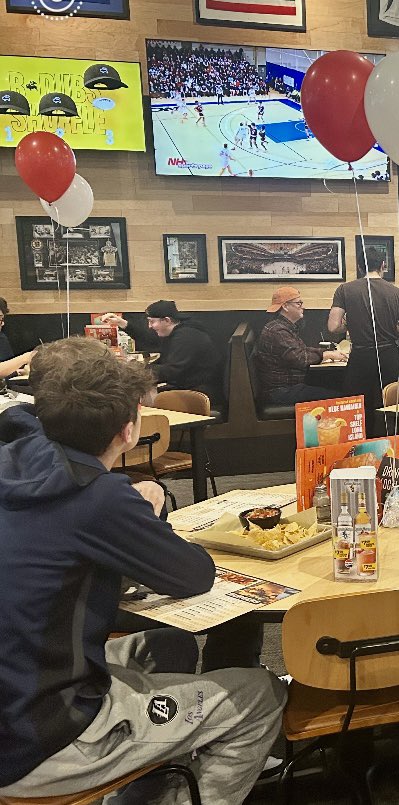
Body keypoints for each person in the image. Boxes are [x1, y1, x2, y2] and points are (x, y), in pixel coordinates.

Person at [0, 339, 286, 802]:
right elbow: (194, 576)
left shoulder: (18, 452)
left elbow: (15, 419)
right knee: (262, 694)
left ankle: (149, 783)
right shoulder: (99, 497)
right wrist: (143, 507)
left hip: (19, 691)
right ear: (130, 430)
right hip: (39, 738)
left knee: (168, 643)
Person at [327, 247, 399, 435]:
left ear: (359, 266)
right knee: (390, 408)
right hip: (389, 357)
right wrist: (391, 326)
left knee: (359, 411)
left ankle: (362, 454)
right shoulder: (397, 293)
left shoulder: (344, 290)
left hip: (361, 358)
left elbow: (333, 327)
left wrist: (350, 326)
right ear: (383, 265)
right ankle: (389, 453)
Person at [99, 300, 222, 402]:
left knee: (138, 394)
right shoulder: (178, 331)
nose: (150, 326)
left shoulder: (186, 337)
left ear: (167, 320)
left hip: (200, 392)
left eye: (152, 321)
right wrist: (122, 323)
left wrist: (134, 369)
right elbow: (148, 338)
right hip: (189, 384)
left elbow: (173, 370)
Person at [254, 286, 347, 406]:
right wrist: (326, 354)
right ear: (285, 306)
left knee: (334, 386)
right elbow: (300, 358)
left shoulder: (281, 327)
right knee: (341, 397)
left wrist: (327, 353)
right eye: (299, 303)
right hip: (281, 392)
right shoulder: (278, 331)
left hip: (286, 387)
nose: (303, 307)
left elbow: (301, 351)